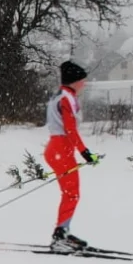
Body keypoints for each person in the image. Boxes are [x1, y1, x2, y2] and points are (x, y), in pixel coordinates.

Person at [45, 61, 99, 252]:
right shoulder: (66, 98)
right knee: (71, 194)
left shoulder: (60, 95)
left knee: (70, 193)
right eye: (82, 80)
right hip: (61, 149)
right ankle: (60, 236)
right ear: (74, 81)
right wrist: (85, 152)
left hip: (57, 149)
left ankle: (63, 231)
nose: (84, 84)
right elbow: (70, 129)